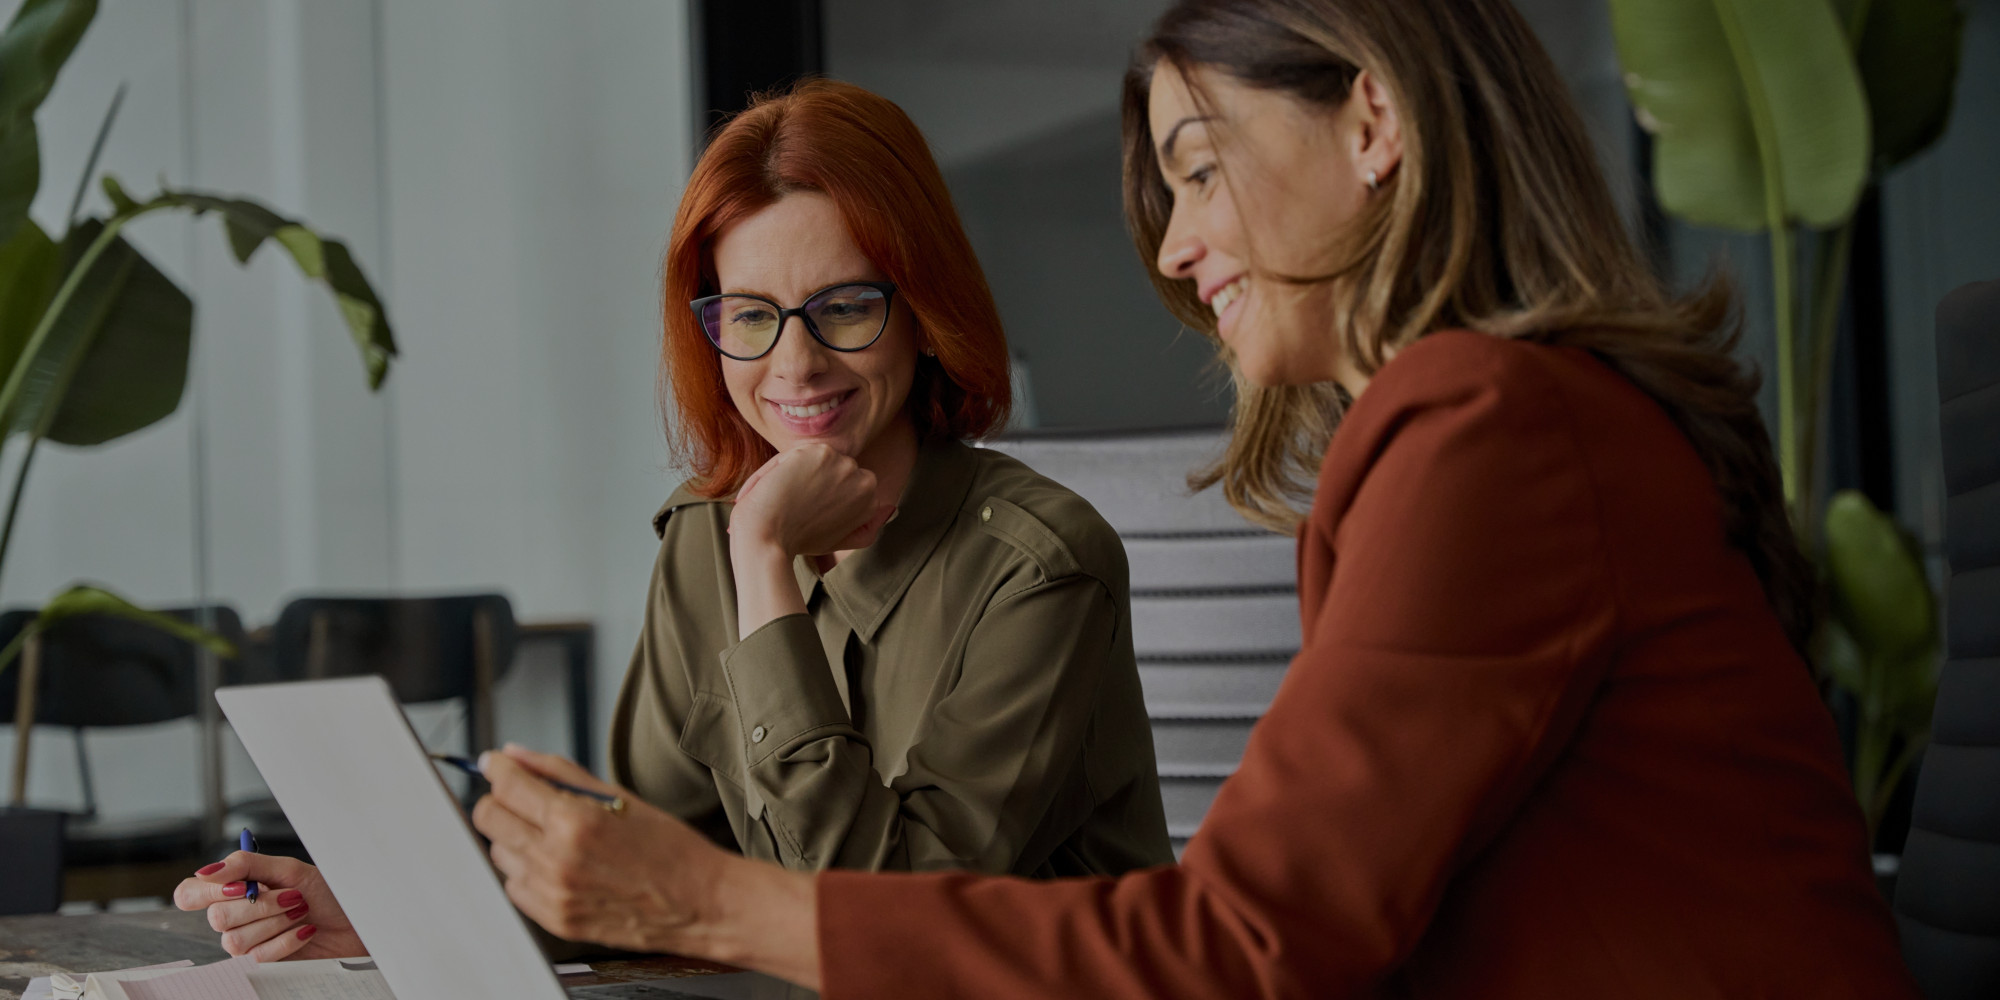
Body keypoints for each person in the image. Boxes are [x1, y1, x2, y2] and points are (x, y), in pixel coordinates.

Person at [426, 0, 1925, 995]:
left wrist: (703, 903)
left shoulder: (1492, 426)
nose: (1178, 244)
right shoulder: (1507, 421)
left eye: (1200, 170)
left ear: (1375, 123)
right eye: (745, 314)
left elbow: (1247, 940)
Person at [171, 79, 1173, 962]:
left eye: (844, 306)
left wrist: (765, 561)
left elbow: (877, 919)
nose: (794, 364)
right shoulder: (704, 537)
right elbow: (647, 862)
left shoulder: (1039, 566)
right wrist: (386, 908)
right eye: (748, 315)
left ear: (921, 309)